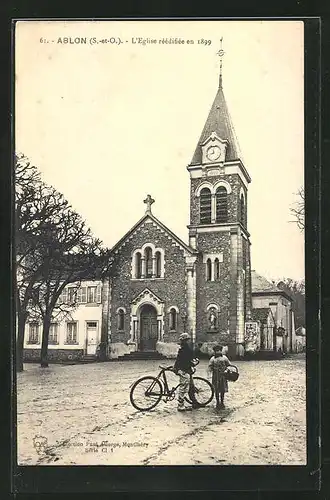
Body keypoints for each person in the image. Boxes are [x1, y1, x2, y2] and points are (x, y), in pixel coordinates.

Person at [173, 332, 199, 412]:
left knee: (190, 386)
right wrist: (193, 363)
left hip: (186, 369)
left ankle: (194, 402)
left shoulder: (184, 348)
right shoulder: (185, 349)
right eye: (187, 340)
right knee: (183, 388)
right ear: (185, 341)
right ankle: (180, 405)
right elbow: (185, 361)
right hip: (184, 370)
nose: (189, 341)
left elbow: (180, 359)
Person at [208, 345, 231, 410]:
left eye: (219, 351)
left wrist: (227, 370)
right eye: (216, 351)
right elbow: (210, 367)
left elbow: (229, 365)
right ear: (214, 352)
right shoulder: (212, 359)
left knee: (223, 389)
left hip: (223, 376)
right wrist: (209, 374)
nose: (218, 352)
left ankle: (222, 401)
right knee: (216, 389)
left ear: (221, 351)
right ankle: (217, 402)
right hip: (215, 376)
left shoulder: (224, 358)